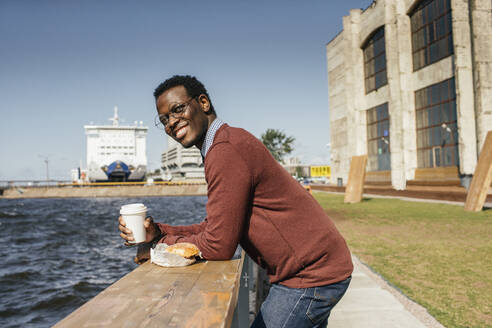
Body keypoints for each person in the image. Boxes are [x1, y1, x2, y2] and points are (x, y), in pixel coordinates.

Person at [118, 75, 353, 327]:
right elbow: (215, 227)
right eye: (164, 119)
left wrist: (159, 246)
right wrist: (160, 231)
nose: (171, 123)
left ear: (203, 103)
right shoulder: (223, 143)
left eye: (177, 109)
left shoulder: (224, 150)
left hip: (310, 277)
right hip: (319, 269)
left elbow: (218, 246)